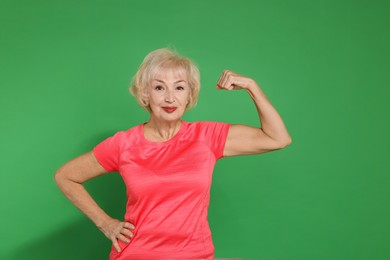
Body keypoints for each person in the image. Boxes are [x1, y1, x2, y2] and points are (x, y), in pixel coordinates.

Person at [54, 48, 292, 259]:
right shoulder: (124, 144)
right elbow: (66, 176)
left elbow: (278, 138)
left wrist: (252, 87)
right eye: (159, 87)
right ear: (145, 94)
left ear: (190, 94)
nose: (170, 97)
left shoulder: (206, 137)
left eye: (179, 87)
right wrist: (105, 223)